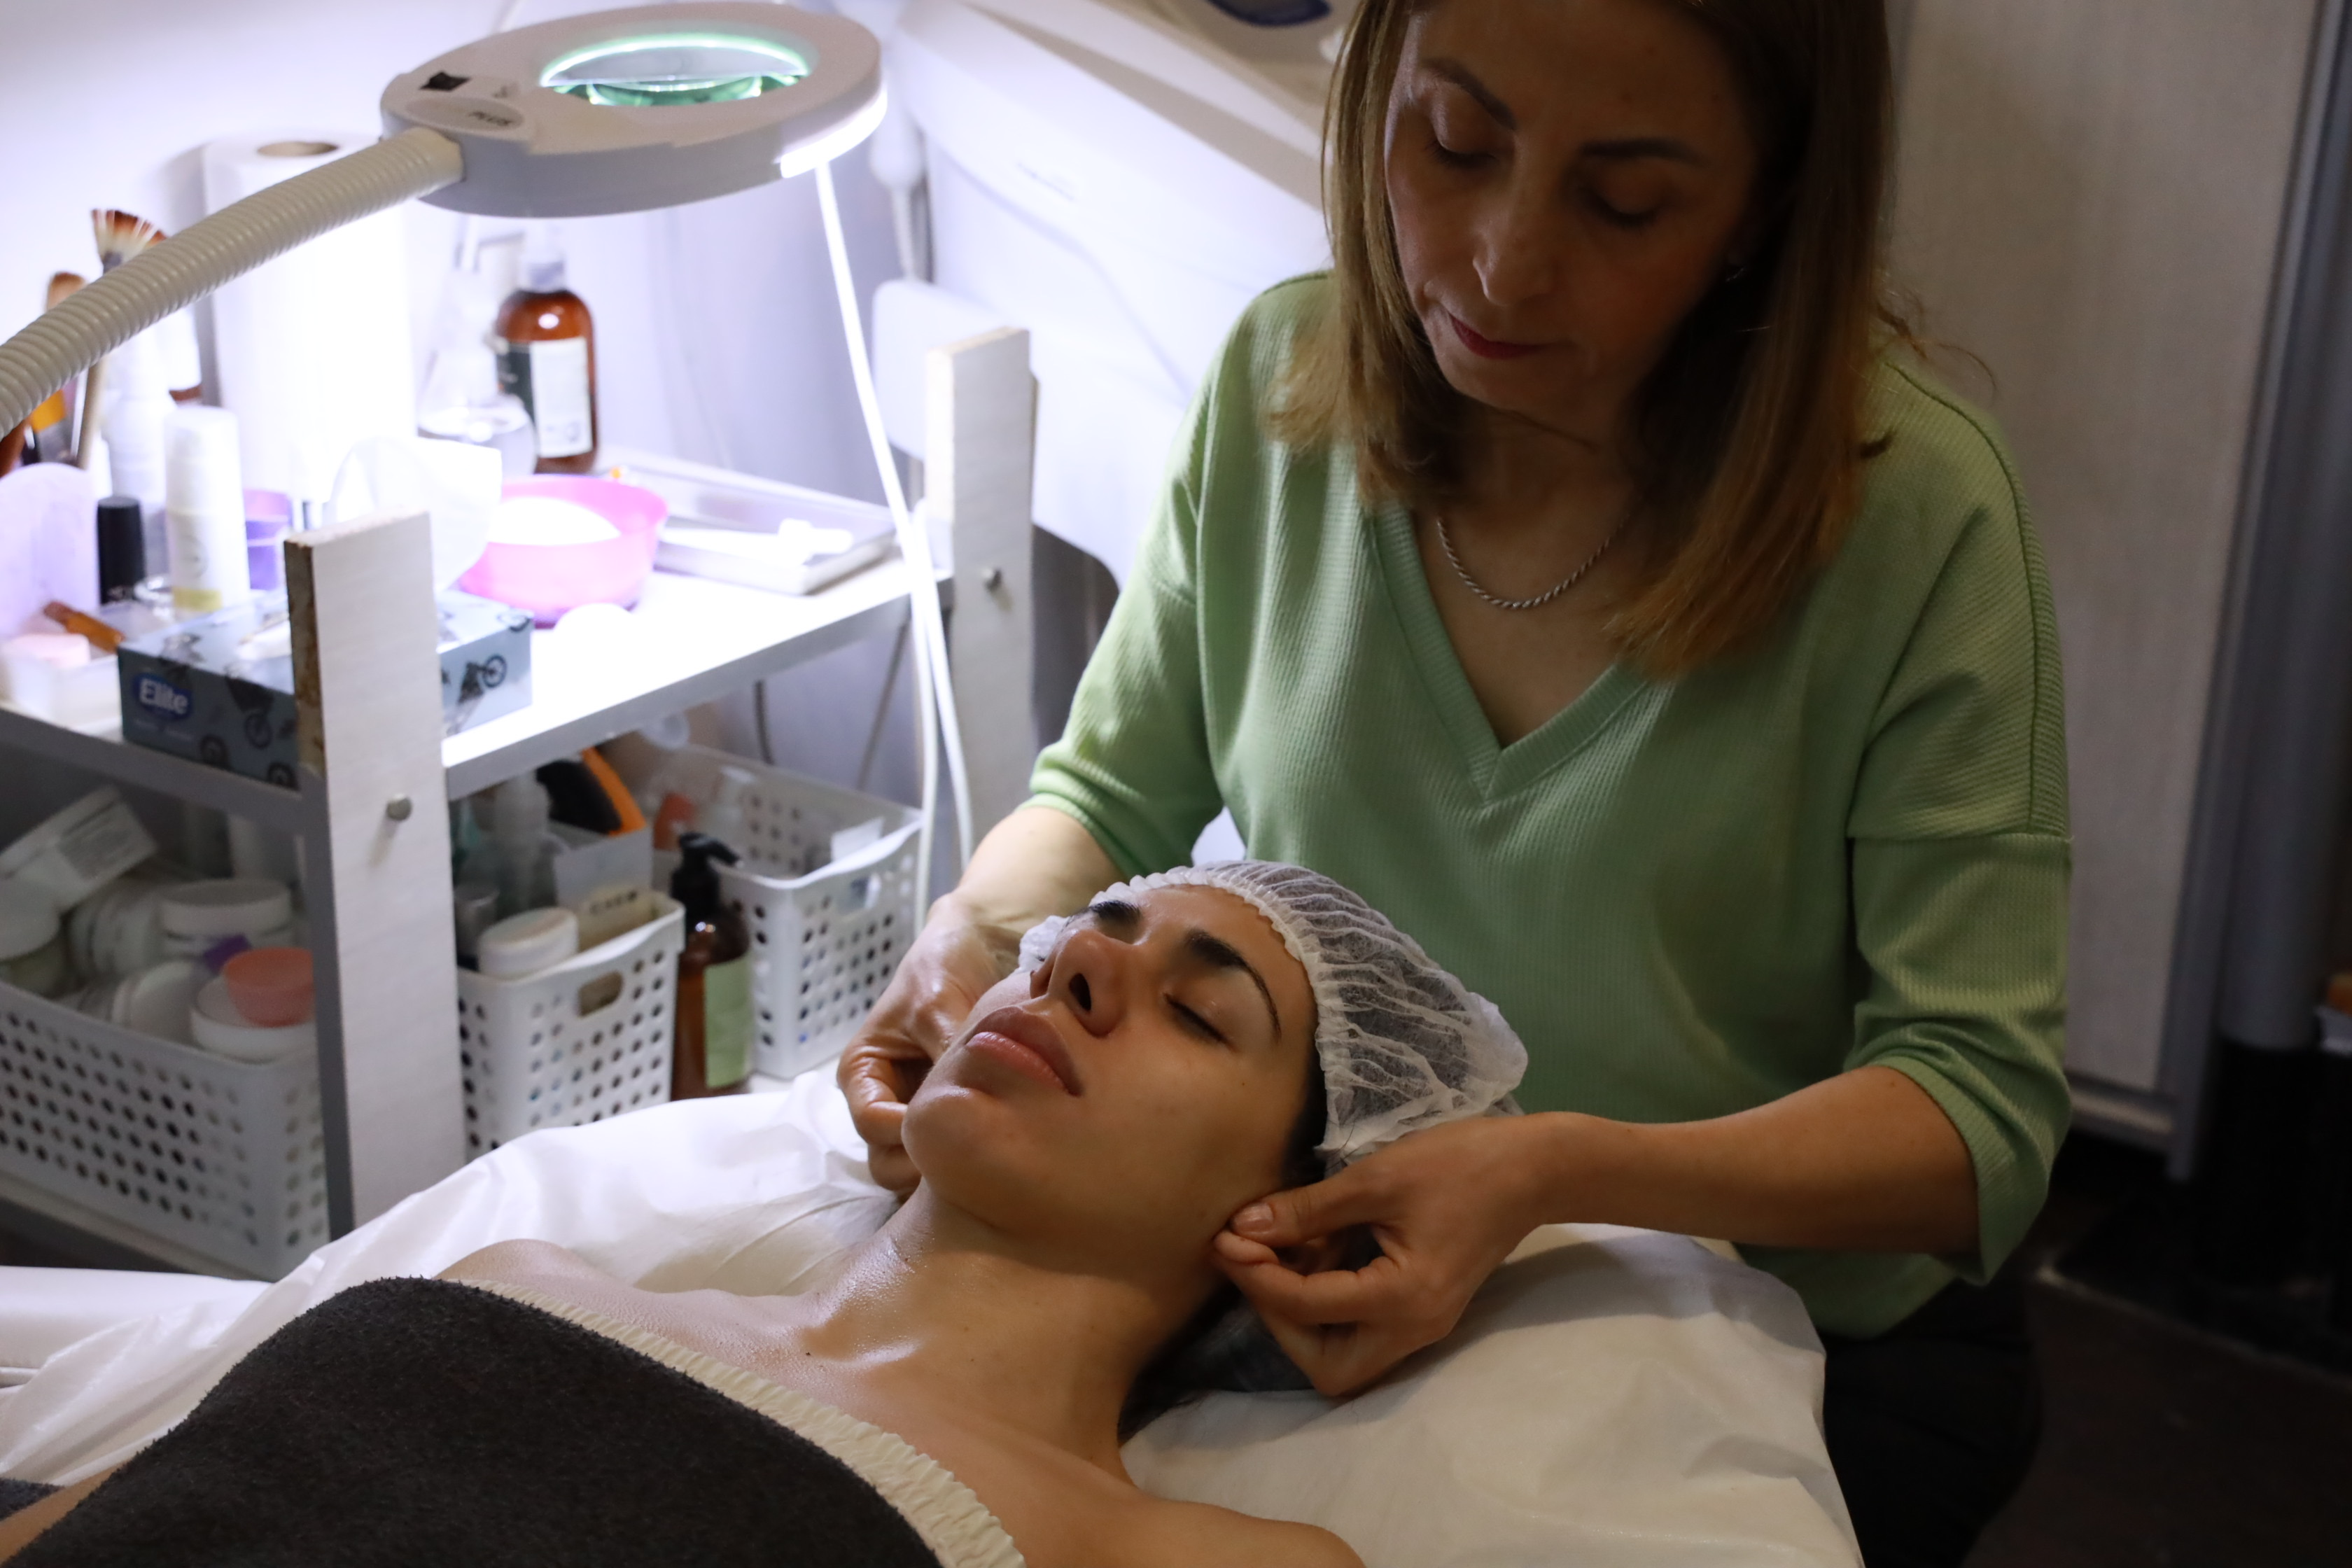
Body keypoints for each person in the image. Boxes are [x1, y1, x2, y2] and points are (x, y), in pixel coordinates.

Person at [839, 2, 2067, 1564]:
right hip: (1315, 1283)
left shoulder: (1915, 519)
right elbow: (1105, 794)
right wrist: (970, 936)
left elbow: (1978, 1110)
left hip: (1809, 1341)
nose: (1500, 264)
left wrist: (1560, 1171)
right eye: (1455, 140)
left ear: (1767, 209)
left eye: (1624, 200)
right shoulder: (1283, 383)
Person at [0, 866, 1521, 1568]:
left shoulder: (1172, 1558)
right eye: (1079, 937)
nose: (1075, 968)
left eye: (1199, 1011)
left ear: (1298, 1212)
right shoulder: (528, 1279)